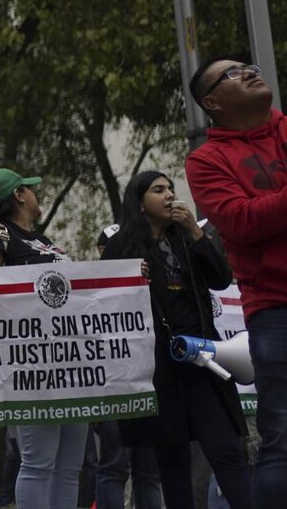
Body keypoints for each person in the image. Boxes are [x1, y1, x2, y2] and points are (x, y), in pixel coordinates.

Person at [182, 56, 287, 509]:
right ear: (212, 101)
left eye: (248, 65)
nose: (250, 72)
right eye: (233, 73)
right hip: (282, 310)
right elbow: (242, 221)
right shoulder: (207, 161)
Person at [99, 170, 251, 509]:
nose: (170, 195)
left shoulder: (185, 237)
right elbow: (106, 299)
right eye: (158, 190)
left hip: (203, 361)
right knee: (173, 459)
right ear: (140, 205)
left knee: (226, 449)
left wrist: (196, 232)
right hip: (158, 370)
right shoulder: (121, 245)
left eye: (170, 188)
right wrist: (128, 277)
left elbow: (221, 278)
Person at [0, 168, 85, 509]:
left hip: (71, 361)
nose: (35, 193)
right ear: (18, 195)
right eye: (30, 188)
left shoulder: (40, 240)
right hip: (32, 366)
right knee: (39, 463)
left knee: (70, 468)